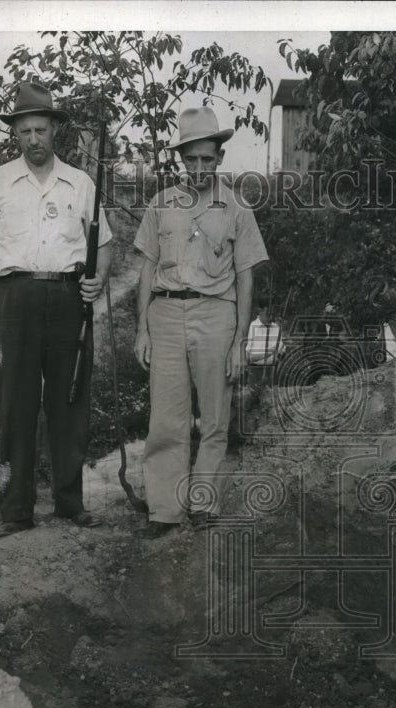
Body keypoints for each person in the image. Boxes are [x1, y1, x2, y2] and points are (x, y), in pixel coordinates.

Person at [0, 81, 112, 539]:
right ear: (16, 133)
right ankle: (16, 510)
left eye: (41, 129)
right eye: (25, 130)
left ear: (55, 132)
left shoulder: (81, 182)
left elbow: (103, 244)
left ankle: (70, 503)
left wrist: (97, 278)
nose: (33, 138)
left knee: (69, 401)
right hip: (12, 299)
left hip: (68, 298)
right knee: (16, 404)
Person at [133, 107, 268, 537]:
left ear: (220, 158)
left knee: (213, 419)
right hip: (166, 314)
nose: (198, 168)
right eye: (190, 160)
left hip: (216, 316)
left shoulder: (238, 208)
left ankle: (203, 504)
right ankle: (164, 510)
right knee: (166, 420)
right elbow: (146, 269)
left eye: (207, 159)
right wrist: (142, 329)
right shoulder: (160, 204)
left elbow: (246, 275)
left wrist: (238, 342)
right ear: (180, 160)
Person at [245, 305, 285, 370]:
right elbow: (249, 357)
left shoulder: (276, 327)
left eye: (272, 314)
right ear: (260, 312)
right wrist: (270, 352)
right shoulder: (253, 326)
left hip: (272, 370)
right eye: (268, 314)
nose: (271, 318)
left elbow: (281, 353)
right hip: (255, 369)